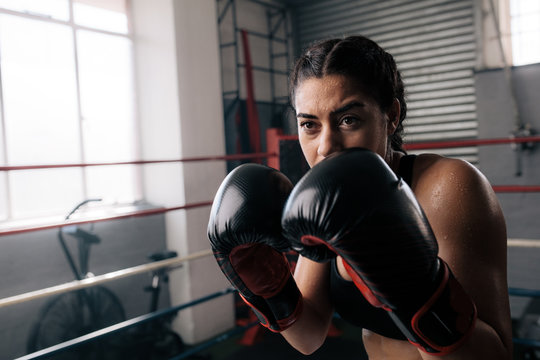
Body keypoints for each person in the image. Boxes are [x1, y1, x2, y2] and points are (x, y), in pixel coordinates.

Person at [208, 35, 512, 360]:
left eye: (348, 120)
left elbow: (494, 354)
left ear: (391, 116)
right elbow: (308, 336)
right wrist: (268, 285)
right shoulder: (326, 201)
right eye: (309, 125)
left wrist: (411, 283)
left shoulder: (447, 186)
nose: (326, 146)